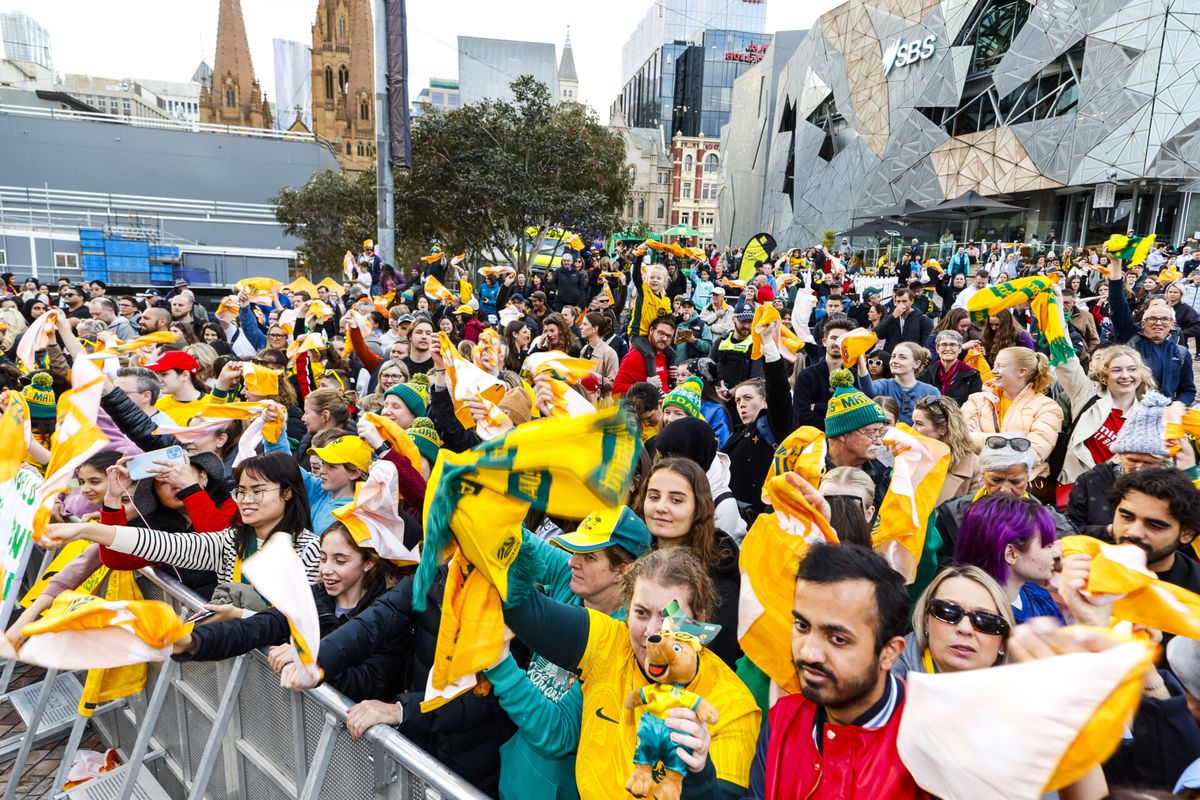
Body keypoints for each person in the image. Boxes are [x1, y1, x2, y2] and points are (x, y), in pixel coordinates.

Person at [500, 546, 760, 798]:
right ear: (626, 613)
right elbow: (523, 607)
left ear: (699, 618)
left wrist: (698, 774)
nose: (652, 633)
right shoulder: (610, 643)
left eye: (670, 616)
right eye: (642, 613)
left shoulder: (734, 707)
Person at [484, 508, 651, 800]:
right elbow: (514, 536)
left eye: (589, 557)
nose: (573, 562)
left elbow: (559, 733)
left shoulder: (627, 644)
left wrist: (499, 664)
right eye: (575, 549)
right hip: (514, 777)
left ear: (624, 570)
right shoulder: (575, 581)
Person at [45, 452, 320, 621]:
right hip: (233, 648)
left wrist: (239, 616)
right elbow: (161, 545)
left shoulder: (308, 548)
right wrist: (92, 522)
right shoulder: (229, 541)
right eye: (242, 491)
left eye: (257, 491)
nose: (246, 500)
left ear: (287, 492)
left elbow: (300, 620)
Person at [747, 543, 927, 800]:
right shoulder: (783, 720)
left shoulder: (929, 740)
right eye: (801, 625)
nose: (809, 653)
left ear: (889, 652)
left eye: (838, 639)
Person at [170, 522, 403, 702]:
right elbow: (255, 628)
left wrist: (308, 660)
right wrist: (192, 641)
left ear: (368, 563)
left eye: (340, 561)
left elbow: (368, 683)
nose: (326, 570)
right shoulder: (311, 596)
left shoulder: (388, 612)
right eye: (323, 559)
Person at [632, 457, 742, 667]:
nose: (661, 507)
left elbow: (719, 667)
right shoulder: (637, 560)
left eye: (676, 500)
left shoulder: (720, 587)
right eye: (654, 496)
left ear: (699, 508)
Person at [933, 432, 1075, 556]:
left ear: (1028, 478)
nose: (1005, 489)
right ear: (983, 475)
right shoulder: (953, 514)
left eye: (1015, 482)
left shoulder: (1054, 523)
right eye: (996, 480)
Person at [953, 494, 1064, 624]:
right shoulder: (977, 619)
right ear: (1011, 553)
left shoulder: (1040, 597)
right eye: (1048, 544)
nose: (1056, 552)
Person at [891, 564, 1013, 678]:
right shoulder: (886, 679)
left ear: (1003, 641)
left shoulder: (1020, 694)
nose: (965, 629)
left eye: (985, 620)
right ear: (926, 621)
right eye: (948, 612)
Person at [962, 346, 1063, 481]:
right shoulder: (976, 400)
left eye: (1000, 366)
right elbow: (961, 440)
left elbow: (1033, 453)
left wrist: (982, 438)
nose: (993, 371)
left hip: (1022, 485)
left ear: (1021, 371)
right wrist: (1015, 442)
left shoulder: (1048, 407)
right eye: (994, 365)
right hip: (978, 481)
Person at [1109, 253, 1196, 404]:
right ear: (1142, 323)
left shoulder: (1181, 353)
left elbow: (1187, 390)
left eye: (1164, 319)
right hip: (1127, 411)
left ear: (1172, 324)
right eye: (1152, 318)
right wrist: (1116, 265)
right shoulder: (1129, 336)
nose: (1158, 323)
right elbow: (1117, 302)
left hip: (1162, 417)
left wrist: (1178, 406)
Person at [655, 416, 747, 544]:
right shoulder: (673, 485)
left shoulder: (722, 505)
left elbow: (718, 557)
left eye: (665, 458)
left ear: (688, 456)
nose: (662, 465)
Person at [1108, 467, 1200, 594]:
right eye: (1127, 517)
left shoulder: (1195, 592)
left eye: (1154, 525)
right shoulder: (1082, 568)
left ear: (1186, 533)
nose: (1134, 532)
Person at [824, 369, 891, 509]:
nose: (879, 441)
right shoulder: (807, 468)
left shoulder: (886, 468)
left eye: (880, 432)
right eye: (872, 433)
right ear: (842, 434)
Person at [791, 317, 871, 429]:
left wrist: (819, 407)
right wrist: (838, 425)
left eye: (843, 339)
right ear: (824, 342)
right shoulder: (806, 375)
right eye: (834, 338)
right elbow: (801, 413)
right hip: (814, 439)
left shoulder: (856, 376)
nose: (837, 343)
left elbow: (859, 413)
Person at [912, 395, 982, 504]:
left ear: (942, 429)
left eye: (919, 424)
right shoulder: (909, 457)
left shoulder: (974, 466)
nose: (912, 429)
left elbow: (976, 513)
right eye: (913, 422)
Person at [868, 342, 939, 425]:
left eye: (902, 357)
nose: (894, 361)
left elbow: (937, 423)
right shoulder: (883, 385)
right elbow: (868, 391)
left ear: (916, 363)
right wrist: (861, 363)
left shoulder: (931, 391)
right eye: (893, 356)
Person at [613, 314, 676, 395]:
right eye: (661, 333)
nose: (664, 339)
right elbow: (616, 389)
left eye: (669, 336)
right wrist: (644, 386)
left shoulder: (664, 355)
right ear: (651, 330)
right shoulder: (635, 356)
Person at [146, 350, 213, 425]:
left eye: (164, 374)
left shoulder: (212, 404)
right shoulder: (156, 407)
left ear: (185, 376)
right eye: (158, 375)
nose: (159, 380)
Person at [709, 302, 761, 394]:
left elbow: (756, 379)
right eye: (743, 321)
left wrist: (732, 392)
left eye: (750, 322)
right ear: (733, 319)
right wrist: (718, 387)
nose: (747, 326)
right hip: (718, 393)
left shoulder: (756, 345)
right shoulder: (720, 342)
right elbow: (708, 369)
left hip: (744, 396)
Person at [920, 330, 982, 406]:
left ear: (960, 349)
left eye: (953, 345)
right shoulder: (927, 373)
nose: (948, 349)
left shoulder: (972, 375)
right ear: (937, 348)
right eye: (944, 345)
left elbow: (976, 404)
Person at [873, 286, 932, 353]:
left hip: (911, 357)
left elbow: (926, 344)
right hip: (892, 357)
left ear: (912, 301)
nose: (901, 304)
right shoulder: (890, 317)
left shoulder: (922, 320)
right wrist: (893, 317)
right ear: (895, 302)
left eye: (904, 301)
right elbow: (879, 334)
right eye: (898, 301)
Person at [674, 296, 712, 363]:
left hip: (691, 367)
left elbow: (709, 347)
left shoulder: (702, 325)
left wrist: (695, 341)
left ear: (694, 309)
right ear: (679, 309)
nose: (686, 309)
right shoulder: (673, 323)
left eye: (689, 307)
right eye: (684, 307)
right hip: (673, 366)